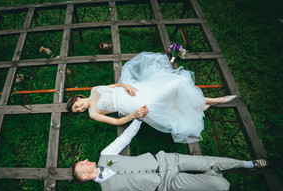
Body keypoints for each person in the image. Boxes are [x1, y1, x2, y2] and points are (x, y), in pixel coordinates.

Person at [71, 113, 269, 191]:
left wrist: (138, 118)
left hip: (167, 161)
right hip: (168, 184)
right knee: (220, 186)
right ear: (86, 176)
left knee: (209, 160)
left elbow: (124, 138)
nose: (86, 160)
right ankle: (216, 176)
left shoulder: (105, 155)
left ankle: (249, 164)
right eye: (82, 164)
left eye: (83, 160)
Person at [67, 52, 236, 143]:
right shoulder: (93, 113)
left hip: (135, 90)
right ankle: (217, 100)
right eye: (77, 111)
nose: (80, 108)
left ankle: (203, 103)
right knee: (175, 86)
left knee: (173, 87)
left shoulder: (95, 89)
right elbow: (117, 122)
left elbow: (114, 86)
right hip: (134, 105)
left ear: (78, 98)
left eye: (77, 105)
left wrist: (125, 85)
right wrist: (134, 115)